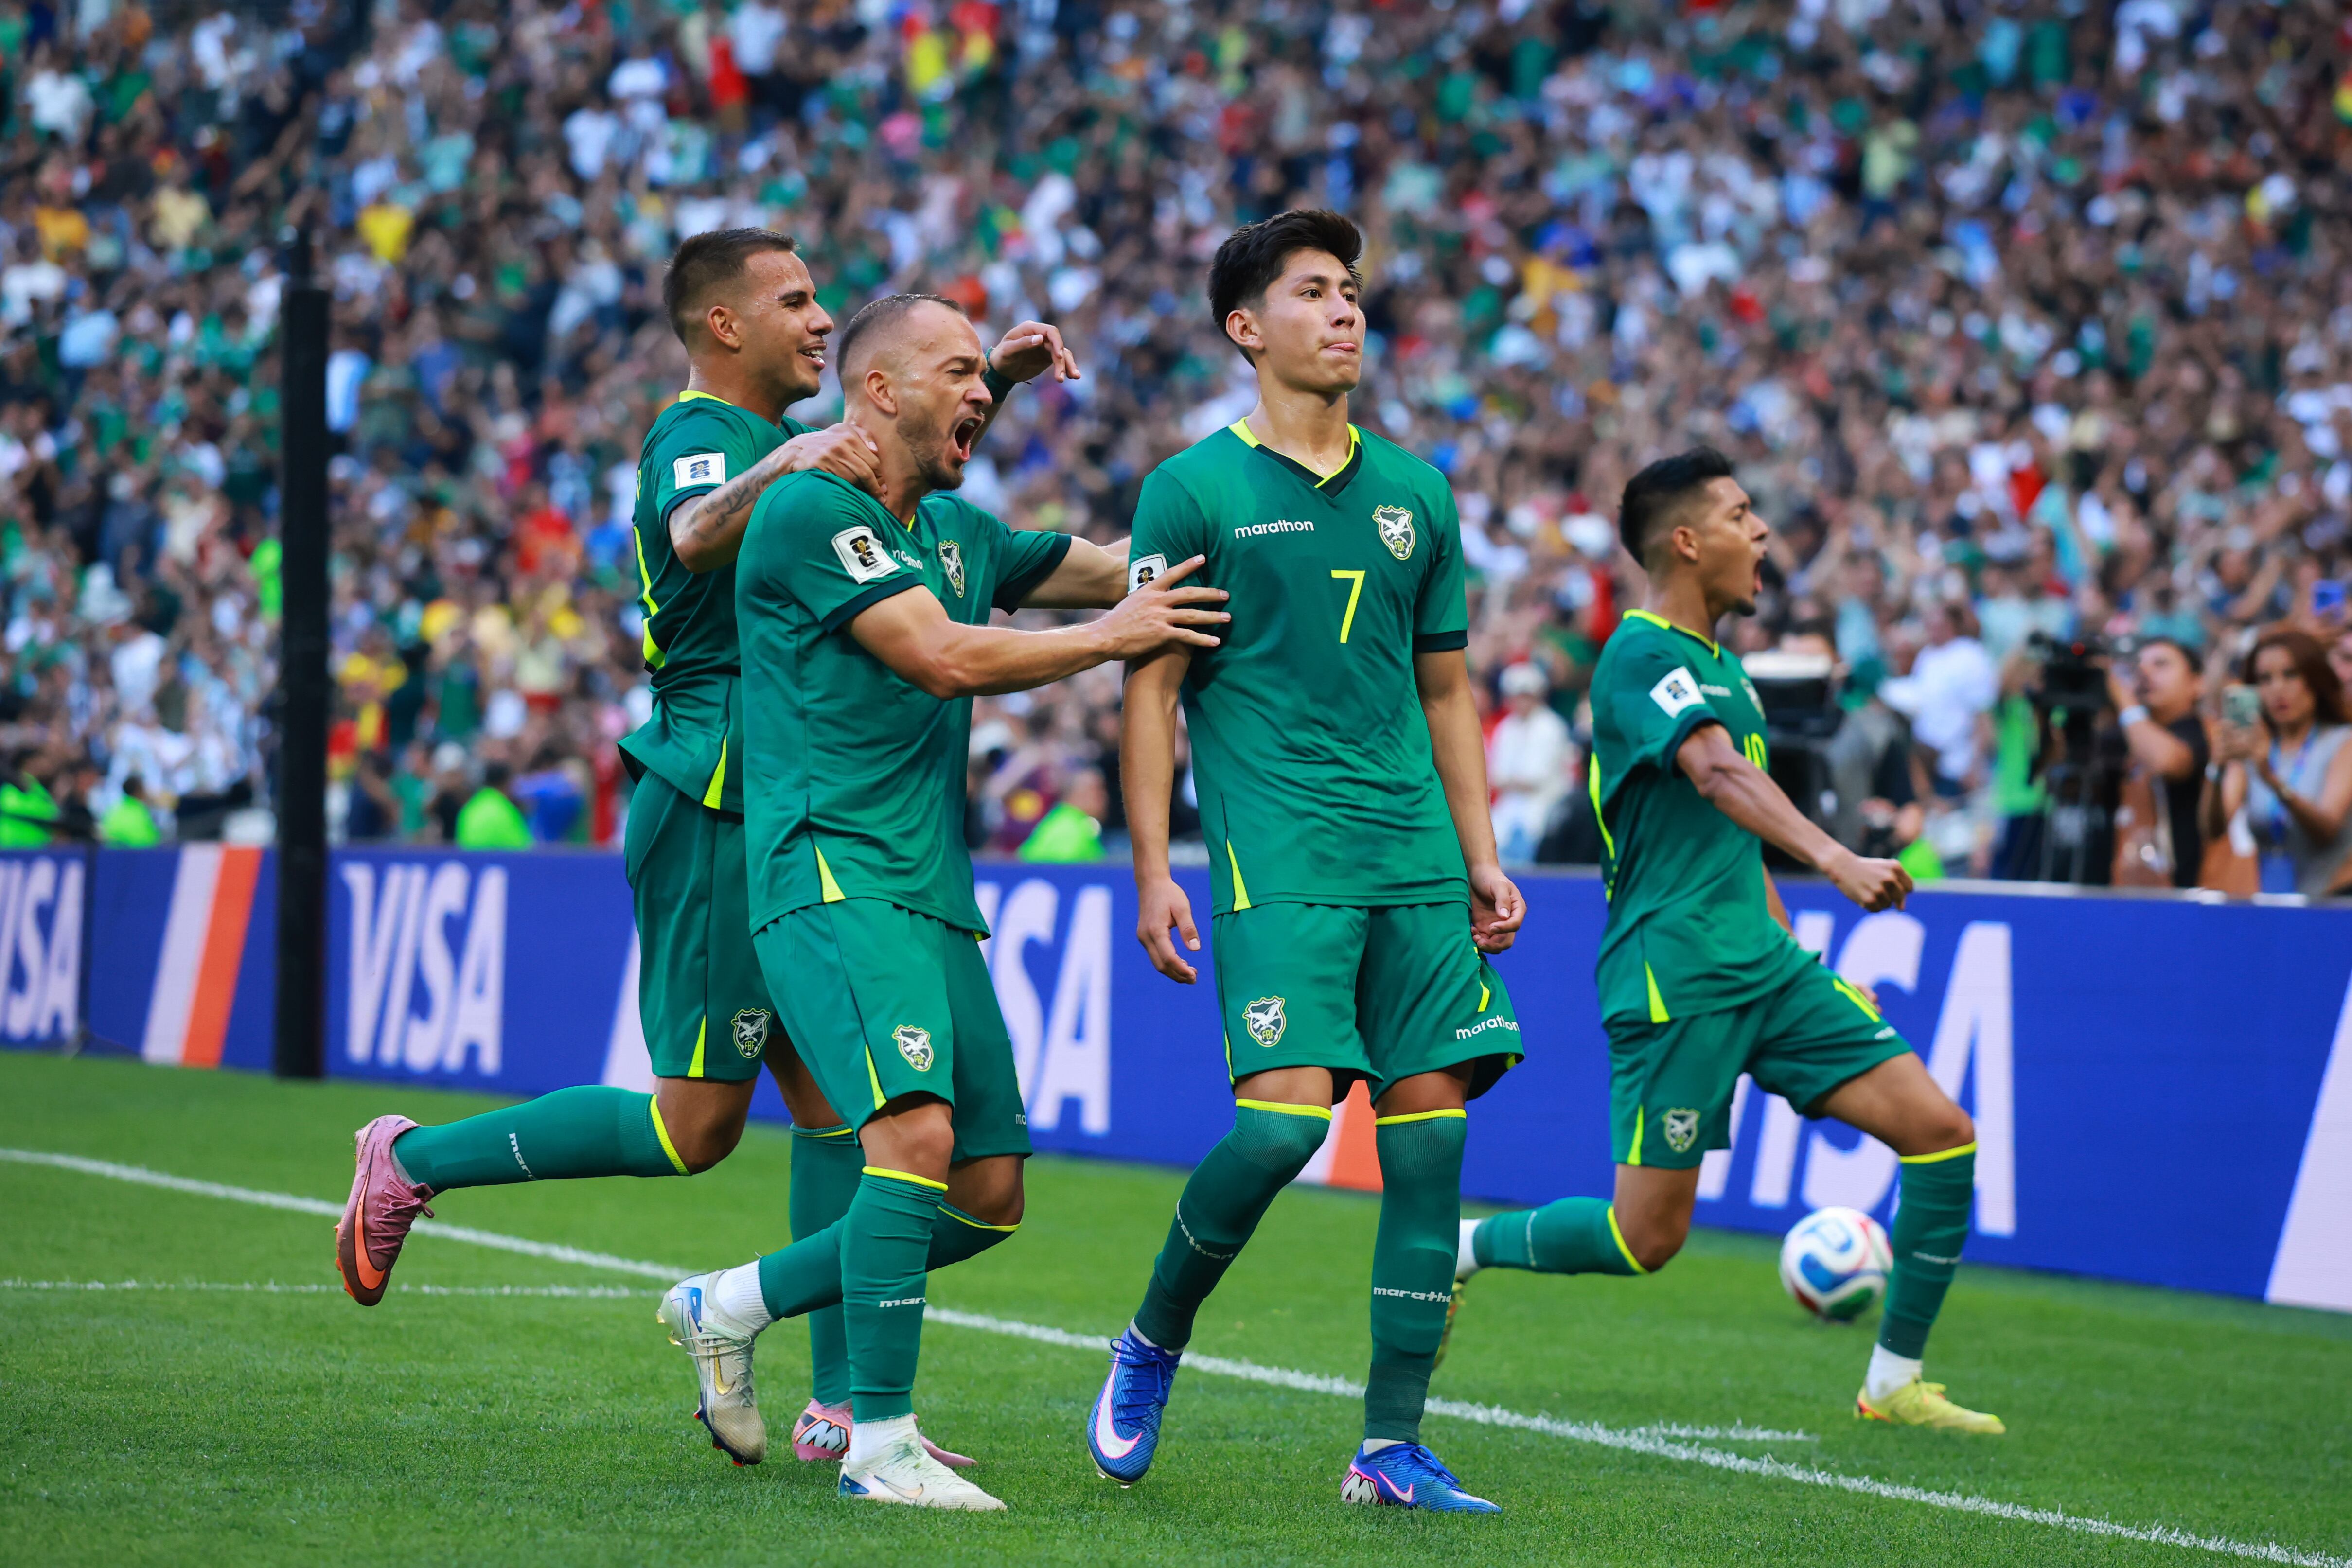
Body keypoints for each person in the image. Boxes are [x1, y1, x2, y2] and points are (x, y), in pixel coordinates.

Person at [333, 229, 1083, 1472]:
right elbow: (695, 535)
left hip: (811, 800)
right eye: (794, 300)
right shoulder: (705, 433)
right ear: (722, 326)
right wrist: (791, 453)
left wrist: (981, 380)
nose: (822, 318)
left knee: (861, 1114)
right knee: (697, 1125)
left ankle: (845, 1402)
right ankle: (409, 1158)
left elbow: (894, 463)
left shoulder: (819, 448)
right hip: (727, 794)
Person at [657, 291, 1225, 1513]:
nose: (982, 393)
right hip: (829, 868)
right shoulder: (810, 508)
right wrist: (1121, 634)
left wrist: (1252, 532)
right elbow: (942, 654)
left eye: (986, 374)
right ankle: (881, 1439)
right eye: (958, 372)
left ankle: (731, 1302)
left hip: (930, 889)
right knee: (907, 1138)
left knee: (986, 1192)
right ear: (878, 390)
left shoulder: (959, 528)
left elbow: (1119, 570)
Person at [1087, 211, 1527, 1514]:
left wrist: (1478, 854)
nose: (1345, 312)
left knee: (1429, 1150)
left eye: (1351, 292)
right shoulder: (1192, 490)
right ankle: (1151, 1338)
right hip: (1278, 860)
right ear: (1245, 327)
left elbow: (1446, 692)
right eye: (1312, 292)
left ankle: (1388, 1447)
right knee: (1279, 1128)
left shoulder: (1416, 490)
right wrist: (1152, 869)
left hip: (1410, 860)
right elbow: (1148, 690)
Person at [1446, 448, 2002, 1434]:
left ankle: (1893, 1383)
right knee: (1643, 1236)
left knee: (1942, 1130)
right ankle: (1463, 1248)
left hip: (1767, 966)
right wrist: (1837, 859)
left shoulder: (1724, 671)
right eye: (1743, 515)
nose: (1763, 535)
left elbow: (1734, 839)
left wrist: (1809, 964)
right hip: (1678, 975)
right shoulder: (1638, 654)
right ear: (1687, 540)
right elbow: (1714, 775)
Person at [2206, 627, 2352, 898]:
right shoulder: (2254, 746)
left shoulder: (2343, 742)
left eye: (2291, 674)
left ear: (2315, 679)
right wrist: (2218, 766)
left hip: (2336, 904)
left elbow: (2327, 832)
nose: (2277, 689)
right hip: (2275, 905)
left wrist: (2270, 778)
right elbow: (2213, 829)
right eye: (2265, 679)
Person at [2104, 637, 2208, 889]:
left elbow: (2166, 761)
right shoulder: (2124, 734)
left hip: (2179, 894)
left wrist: (2126, 701)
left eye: (2161, 665)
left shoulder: (2199, 733)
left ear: (2197, 684)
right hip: (2122, 889)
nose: (2146, 674)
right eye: (2139, 667)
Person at [1487, 661, 1576, 866]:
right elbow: (1496, 777)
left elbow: (1535, 779)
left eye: (1525, 696)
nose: (1520, 702)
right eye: (1515, 696)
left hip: (1546, 803)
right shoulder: (1506, 727)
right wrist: (1512, 782)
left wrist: (1511, 781)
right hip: (1510, 806)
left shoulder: (1551, 726)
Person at [450, 760, 532, 848]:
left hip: (470, 860)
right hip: (496, 861)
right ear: (506, 782)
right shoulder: (504, 810)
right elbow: (523, 849)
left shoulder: (470, 807)